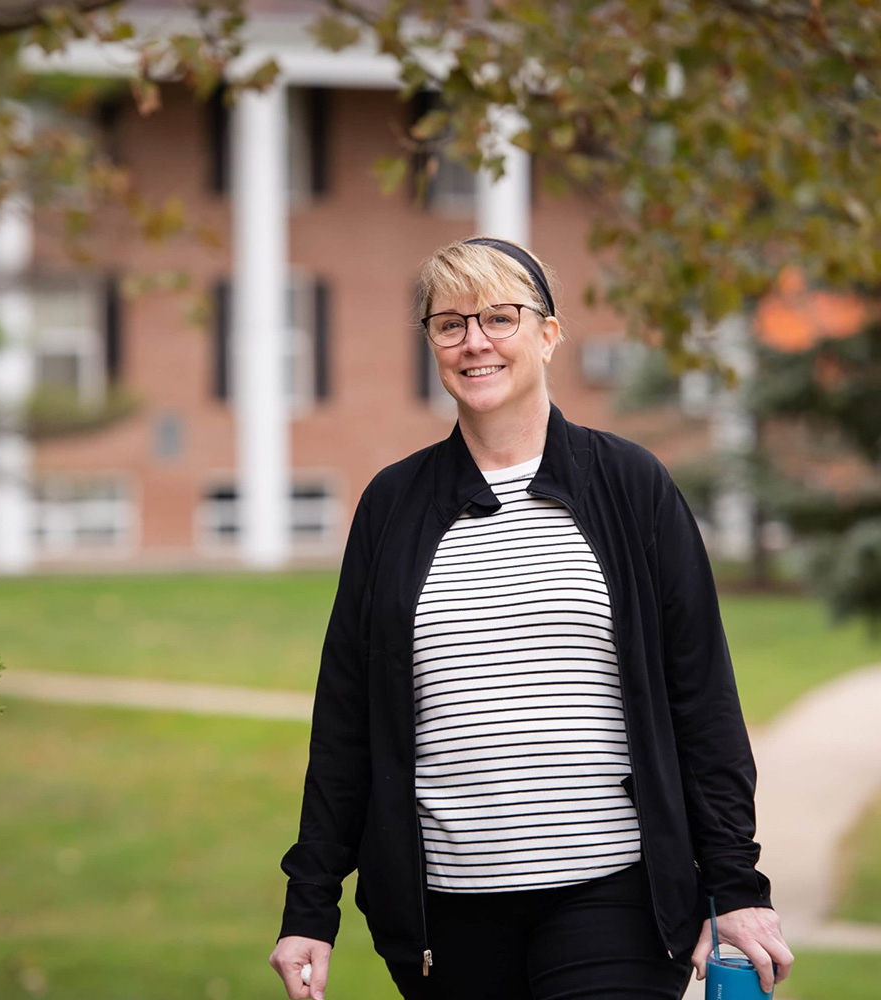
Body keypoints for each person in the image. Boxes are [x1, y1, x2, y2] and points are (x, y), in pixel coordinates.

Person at [269, 236, 793, 1000]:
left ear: (549, 335)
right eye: (449, 324)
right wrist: (308, 906)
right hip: (446, 916)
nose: (474, 341)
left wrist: (737, 887)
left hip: (614, 895)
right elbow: (347, 720)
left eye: (500, 317)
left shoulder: (631, 486)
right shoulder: (393, 505)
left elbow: (701, 699)